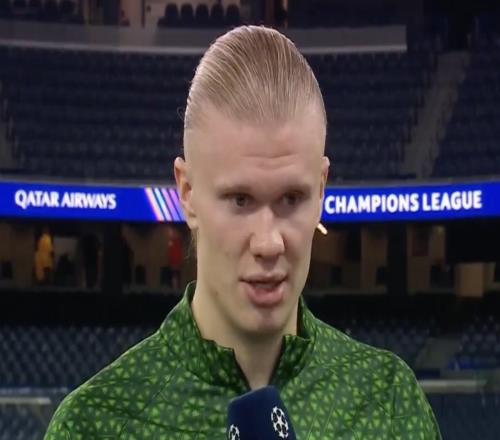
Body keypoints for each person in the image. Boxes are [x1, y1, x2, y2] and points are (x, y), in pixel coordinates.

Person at [45, 26, 441, 438]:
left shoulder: (388, 401)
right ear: (187, 193)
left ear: (321, 189)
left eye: (291, 198)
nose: (268, 243)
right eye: (239, 200)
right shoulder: (94, 424)